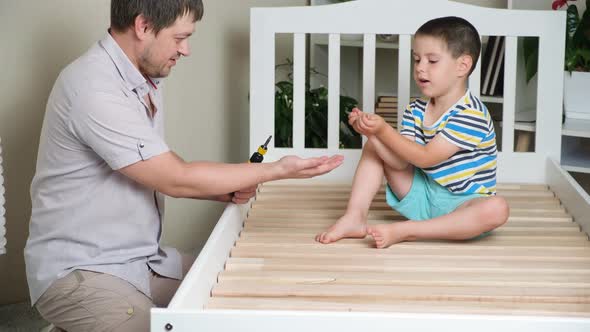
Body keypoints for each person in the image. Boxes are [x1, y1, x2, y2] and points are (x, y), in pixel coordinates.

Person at [24, 1, 343, 331]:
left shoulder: (142, 79)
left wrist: (221, 189)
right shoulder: (94, 87)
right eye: (179, 38)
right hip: (85, 271)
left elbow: (157, 168)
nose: (186, 50)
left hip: (140, 262)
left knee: (238, 299)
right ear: (144, 26)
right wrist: (278, 169)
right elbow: (175, 178)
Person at [315, 16, 509, 249]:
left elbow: (425, 157)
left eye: (432, 60)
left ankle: (408, 231)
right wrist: (372, 134)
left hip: (463, 207)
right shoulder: (416, 110)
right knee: (375, 145)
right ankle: (354, 216)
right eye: (417, 59)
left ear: (462, 66)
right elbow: (399, 161)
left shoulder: (471, 114)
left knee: (497, 208)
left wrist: (383, 129)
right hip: (421, 195)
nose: (420, 68)